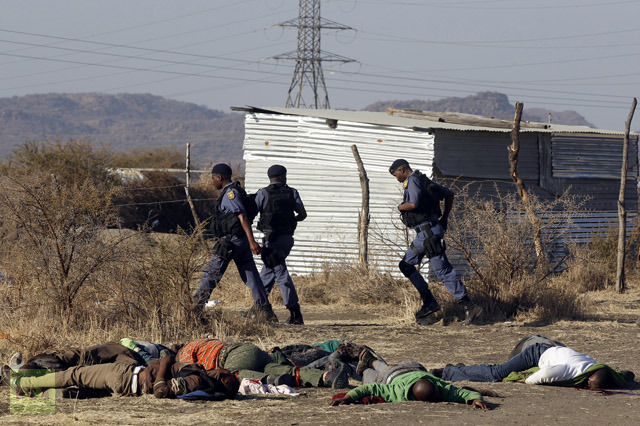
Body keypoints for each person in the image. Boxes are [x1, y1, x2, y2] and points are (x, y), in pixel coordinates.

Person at [389, 159, 482, 326]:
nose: (397, 179)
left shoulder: (413, 181)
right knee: (406, 265)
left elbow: (413, 203)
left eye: (396, 175)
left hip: (429, 234)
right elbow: (449, 194)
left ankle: (469, 306)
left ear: (402, 169)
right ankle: (429, 302)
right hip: (424, 234)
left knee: (443, 270)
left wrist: (400, 207)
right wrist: (444, 218)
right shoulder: (423, 180)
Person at [194, 163, 276, 322]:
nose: (212, 182)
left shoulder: (230, 194)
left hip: (231, 242)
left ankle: (196, 306)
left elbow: (242, 217)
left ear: (220, 177)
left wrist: (252, 241)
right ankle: (265, 311)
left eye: (213, 178)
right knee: (251, 276)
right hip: (240, 242)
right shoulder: (235, 190)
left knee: (211, 273)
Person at [431, 337, 634, 389]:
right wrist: (525, 381)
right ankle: (448, 372)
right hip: (537, 353)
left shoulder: (599, 368)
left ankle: (458, 369)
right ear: (589, 377)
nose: (587, 386)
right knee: (497, 374)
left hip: (556, 349)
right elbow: (541, 376)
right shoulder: (570, 371)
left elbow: (625, 375)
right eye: (590, 385)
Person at [10, 355, 239, 400]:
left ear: (224, 381)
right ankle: (39, 393)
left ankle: (23, 383)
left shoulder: (197, 382)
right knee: (80, 389)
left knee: (75, 374)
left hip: (125, 377)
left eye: (224, 373)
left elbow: (161, 390)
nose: (220, 370)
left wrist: (166, 363)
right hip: (128, 381)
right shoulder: (199, 377)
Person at [330, 350, 489, 410]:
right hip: (396, 374)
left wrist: (476, 399)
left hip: (412, 367)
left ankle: (370, 360)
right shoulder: (397, 390)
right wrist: (348, 397)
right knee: (368, 377)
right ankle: (364, 365)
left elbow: (464, 393)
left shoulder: (440, 388)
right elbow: (368, 389)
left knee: (383, 368)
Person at [176, 338, 349, 389]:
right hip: (252, 350)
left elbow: (196, 371)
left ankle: (270, 380)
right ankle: (327, 376)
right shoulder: (202, 341)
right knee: (289, 370)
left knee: (233, 374)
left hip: (231, 357)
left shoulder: (185, 352)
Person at [255, 164, 307, 325]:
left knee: (280, 272)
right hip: (287, 239)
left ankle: (295, 311)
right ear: (282, 175)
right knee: (268, 273)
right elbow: (302, 214)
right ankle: (257, 309)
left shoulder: (263, 193)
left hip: (271, 239)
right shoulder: (292, 192)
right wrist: (290, 220)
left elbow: (253, 211)